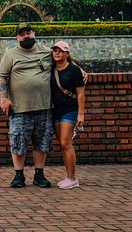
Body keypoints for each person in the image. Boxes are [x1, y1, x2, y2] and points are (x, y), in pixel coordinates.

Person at [0, 23, 54, 188]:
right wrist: (3, 98)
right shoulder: (10, 55)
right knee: (18, 141)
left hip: (44, 106)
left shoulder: (46, 52)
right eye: (22, 34)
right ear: (17, 38)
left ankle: (39, 174)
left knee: (42, 141)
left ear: (33, 34)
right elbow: (1, 77)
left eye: (28, 33)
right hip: (19, 108)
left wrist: (80, 71)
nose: (26, 36)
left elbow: (64, 60)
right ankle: (19, 175)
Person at [49, 41, 86, 190]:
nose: (57, 53)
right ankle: (69, 176)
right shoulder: (51, 69)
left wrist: (81, 114)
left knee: (66, 143)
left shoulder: (74, 70)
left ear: (67, 54)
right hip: (55, 110)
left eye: (61, 51)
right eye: (55, 50)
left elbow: (80, 92)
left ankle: (72, 178)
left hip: (69, 111)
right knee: (63, 145)